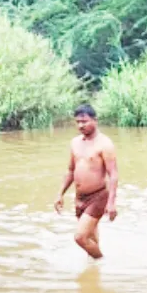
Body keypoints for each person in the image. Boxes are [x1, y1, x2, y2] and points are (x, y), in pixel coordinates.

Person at [54, 104, 118, 260]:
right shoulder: (75, 143)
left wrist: (111, 203)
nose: (80, 125)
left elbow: (113, 174)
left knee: (80, 237)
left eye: (84, 121)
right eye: (77, 122)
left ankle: (101, 261)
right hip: (80, 197)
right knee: (91, 236)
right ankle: (95, 272)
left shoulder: (105, 144)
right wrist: (60, 194)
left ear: (95, 120)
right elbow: (70, 170)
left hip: (98, 196)